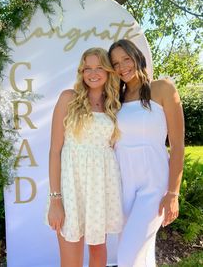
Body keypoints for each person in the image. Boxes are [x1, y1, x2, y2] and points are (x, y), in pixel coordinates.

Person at [108, 39, 185, 267]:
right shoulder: (116, 100)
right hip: (122, 184)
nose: (122, 67)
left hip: (154, 184)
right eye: (116, 63)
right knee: (140, 256)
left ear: (137, 57)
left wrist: (173, 193)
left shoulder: (162, 88)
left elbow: (178, 145)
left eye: (126, 59)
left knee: (128, 258)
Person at [46, 47, 123, 267]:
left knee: (99, 256)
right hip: (72, 188)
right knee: (71, 262)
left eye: (99, 67)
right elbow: (55, 151)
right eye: (87, 68)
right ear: (81, 71)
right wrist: (55, 200)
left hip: (100, 188)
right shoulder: (68, 98)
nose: (93, 73)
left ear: (108, 71)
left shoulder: (114, 105)